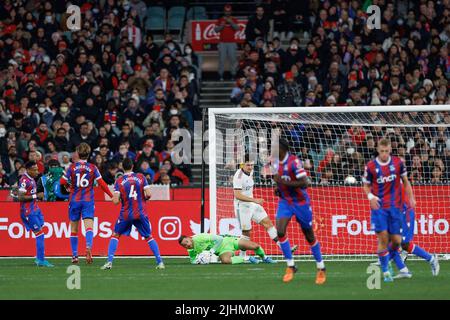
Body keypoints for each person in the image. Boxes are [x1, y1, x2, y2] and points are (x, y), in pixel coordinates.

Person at [362, 138, 418, 282]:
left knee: (397, 241)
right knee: (383, 238)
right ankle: (386, 270)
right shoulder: (370, 166)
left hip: (395, 208)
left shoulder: (398, 163)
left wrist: (411, 198)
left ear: (390, 151)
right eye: (382, 151)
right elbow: (366, 185)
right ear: (378, 150)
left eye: (387, 151)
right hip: (379, 208)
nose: (384, 154)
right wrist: (370, 197)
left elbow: (406, 182)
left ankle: (394, 265)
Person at [272, 139, 326, 284]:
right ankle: (291, 265)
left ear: (282, 149)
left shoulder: (294, 162)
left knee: (309, 235)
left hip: (301, 202)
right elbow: (280, 181)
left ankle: (321, 268)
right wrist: (278, 189)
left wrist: (282, 183)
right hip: (285, 202)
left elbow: (304, 183)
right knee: (280, 231)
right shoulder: (275, 163)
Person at [101, 157, 164, 270]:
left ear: (122, 167)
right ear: (132, 166)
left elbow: (115, 201)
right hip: (140, 212)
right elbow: (149, 194)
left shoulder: (119, 181)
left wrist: (118, 198)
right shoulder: (141, 177)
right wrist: (141, 199)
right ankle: (160, 262)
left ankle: (109, 262)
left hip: (126, 213)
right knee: (148, 236)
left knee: (116, 235)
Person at [60, 143, 113, 264]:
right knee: (89, 227)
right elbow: (102, 184)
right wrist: (111, 195)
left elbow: (62, 181)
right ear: (89, 154)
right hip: (88, 200)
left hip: (74, 200)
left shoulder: (72, 167)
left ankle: (74, 256)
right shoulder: (93, 167)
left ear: (78, 154)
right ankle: (88, 247)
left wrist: (69, 186)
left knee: (74, 229)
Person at [233, 156, 286, 263]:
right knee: (246, 233)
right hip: (242, 207)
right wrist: (254, 200)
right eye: (248, 165)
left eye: (252, 165)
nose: (250, 167)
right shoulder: (238, 177)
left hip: (252, 204)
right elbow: (237, 195)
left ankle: (283, 248)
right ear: (242, 164)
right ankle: (243, 256)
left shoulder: (250, 172)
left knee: (268, 223)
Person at [18, 161, 53, 267]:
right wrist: (36, 196)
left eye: (37, 169)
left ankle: (39, 259)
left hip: (35, 208)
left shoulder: (31, 178)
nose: (37, 171)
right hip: (28, 211)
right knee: (40, 234)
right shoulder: (24, 180)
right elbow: (21, 197)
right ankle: (41, 260)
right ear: (28, 170)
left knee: (41, 228)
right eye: (35, 169)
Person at [178, 233, 268, 265]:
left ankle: (265, 258)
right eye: (184, 245)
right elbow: (193, 261)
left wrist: (210, 252)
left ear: (189, 238)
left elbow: (219, 239)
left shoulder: (199, 238)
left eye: (186, 242)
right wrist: (199, 261)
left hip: (228, 241)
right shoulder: (190, 250)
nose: (187, 245)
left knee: (255, 246)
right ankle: (247, 258)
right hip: (223, 250)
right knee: (226, 261)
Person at [215, 4, 239, 81]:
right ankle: (220, 75)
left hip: (232, 43)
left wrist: (231, 22)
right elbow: (216, 30)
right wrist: (222, 25)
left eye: (229, 11)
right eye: (226, 11)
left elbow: (237, 28)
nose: (227, 12)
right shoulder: (220, 19)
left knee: (233, 59)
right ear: (224, 11)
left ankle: (233, 75)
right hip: (222, 43)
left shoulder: (234, 19)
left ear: (231, 11)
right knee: (221, 60)